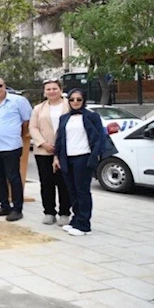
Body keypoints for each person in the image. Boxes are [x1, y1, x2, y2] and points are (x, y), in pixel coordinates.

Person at [54, 89, 109, 236]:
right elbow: (59, 139)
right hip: (67, 158)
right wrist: (56, 157)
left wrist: (96, 156)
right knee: (72, 191)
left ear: (83, 100)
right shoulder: (64, 118)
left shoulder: (92, 116)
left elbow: (100, 139)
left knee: (82, 191)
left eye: (79, 99)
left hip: (83, 157)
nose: (75, 102)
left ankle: (84, 225)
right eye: (72, 99)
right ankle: (76, 220)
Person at [0, 76, 32, 222]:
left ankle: (17, 209)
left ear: (5, 86)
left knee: (13, 178)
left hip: (10, 146)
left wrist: (20, 134)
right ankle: (4, 205)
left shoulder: (18, 101)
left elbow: (27, 121)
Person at [29, 79, 70, 226]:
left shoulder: (69, 105)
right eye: (48, 89)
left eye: (54, 89)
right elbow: (33, 128)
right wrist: (43, 143)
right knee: (46, 183)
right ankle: (49, 212)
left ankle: (65, 213)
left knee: (64, 183)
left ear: (60, 89)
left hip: (65, 151)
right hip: (44, 151)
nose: (51, 92)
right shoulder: (39, 108)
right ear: (44, 92)